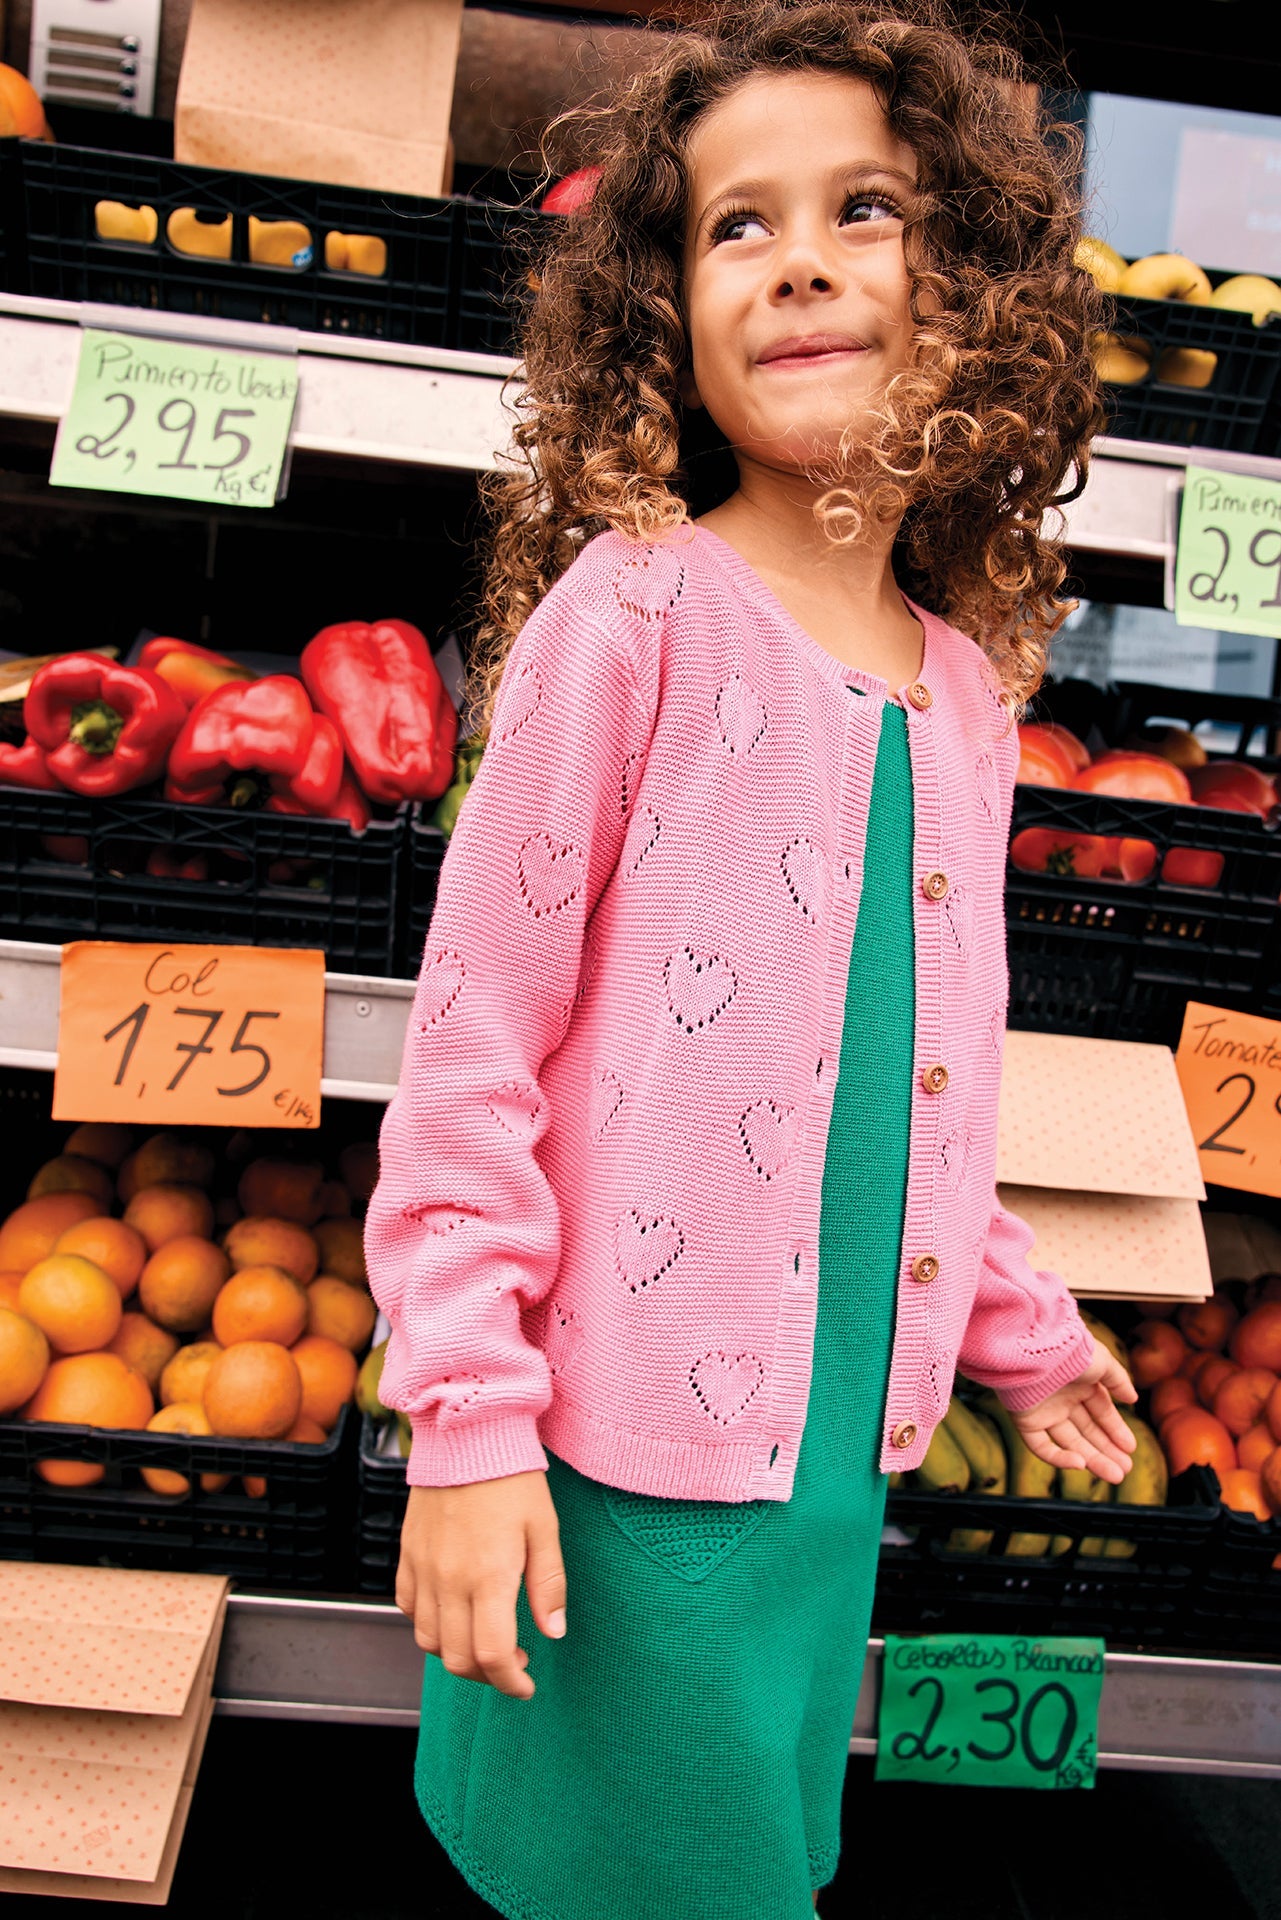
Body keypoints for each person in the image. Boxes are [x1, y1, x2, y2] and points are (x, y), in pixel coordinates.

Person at [364, 3, 1139, 1914]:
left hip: (821, 1493)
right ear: (660, 323)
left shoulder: (964, 695)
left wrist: (1019, 1334)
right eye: (735, 225)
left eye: (863, 208)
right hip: (621, 1486)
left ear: (973, 288)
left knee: (755, 1859)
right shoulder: (627, 623)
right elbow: (470, 1054)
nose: (798, 258)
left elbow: (912, 1076)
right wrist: (464, 1423)